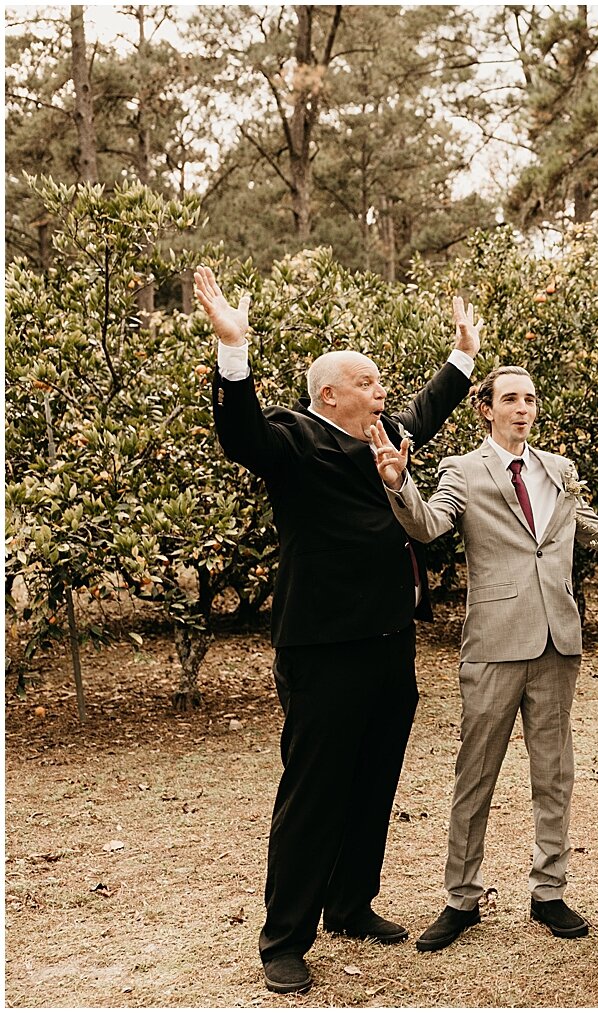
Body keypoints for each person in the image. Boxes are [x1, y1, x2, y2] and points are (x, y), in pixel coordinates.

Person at [195, 265, 479, 994]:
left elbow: (430, 407)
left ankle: (351, 903)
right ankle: (284, 938)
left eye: (382, 381)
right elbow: (240, 433)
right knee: (315, 788)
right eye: (368, 380)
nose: (382, 389)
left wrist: (464, 357)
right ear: (329, 394)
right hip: (323, 648)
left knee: (374, 778)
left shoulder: (386, 435)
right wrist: (234, 352)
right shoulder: (292, 437)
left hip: (390, 641)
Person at [372, 365, 598, 952]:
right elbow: (427, 527)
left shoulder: (560, 471)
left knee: (555, 772)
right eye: (511, 398)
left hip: (559, 641)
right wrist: (399, 483)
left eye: (531, 398)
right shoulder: (463, 470)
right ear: (486, 408)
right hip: (494, 643)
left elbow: (596, 534)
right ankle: (461, 898)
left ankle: (549, 890)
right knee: (475, 773)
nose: (523, 408)